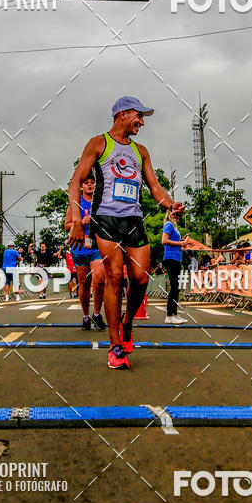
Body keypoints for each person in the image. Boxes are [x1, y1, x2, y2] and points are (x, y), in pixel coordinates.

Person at [68, 96, 184, 370]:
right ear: (122, 114)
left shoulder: (141, 150)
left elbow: (154, 188)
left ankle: (127, 322)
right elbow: (75, 183)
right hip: (106, 219)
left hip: (134, 219)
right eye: (138, 116)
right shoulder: (98, 144)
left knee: (141, 279)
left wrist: (170, 204)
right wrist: (75, 219)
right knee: (115, 277)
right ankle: (115, 346)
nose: (141, 122)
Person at [64, 173, 106, 330]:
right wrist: (80, 222)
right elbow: (67, 226)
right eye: (86, 183)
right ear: (81, 186)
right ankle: (86, 316)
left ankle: (97, 314)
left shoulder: (101, 203)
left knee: (99, 279)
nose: (90, 185)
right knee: (84, 284)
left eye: (92, 182)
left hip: (96, 247)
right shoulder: (75, 204)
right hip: (79, 247)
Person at [161, 212, 190, 324]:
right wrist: (180, 243)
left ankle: (174, 314)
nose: (178, 217)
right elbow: (164, 240)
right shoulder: (168, 224)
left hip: (176, 258)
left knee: (176, 288)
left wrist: (181, 240)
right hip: (171, 258)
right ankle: (169, 315)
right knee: (174, 287)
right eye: (177, 215)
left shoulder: (173, 226)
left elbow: (172, 240)